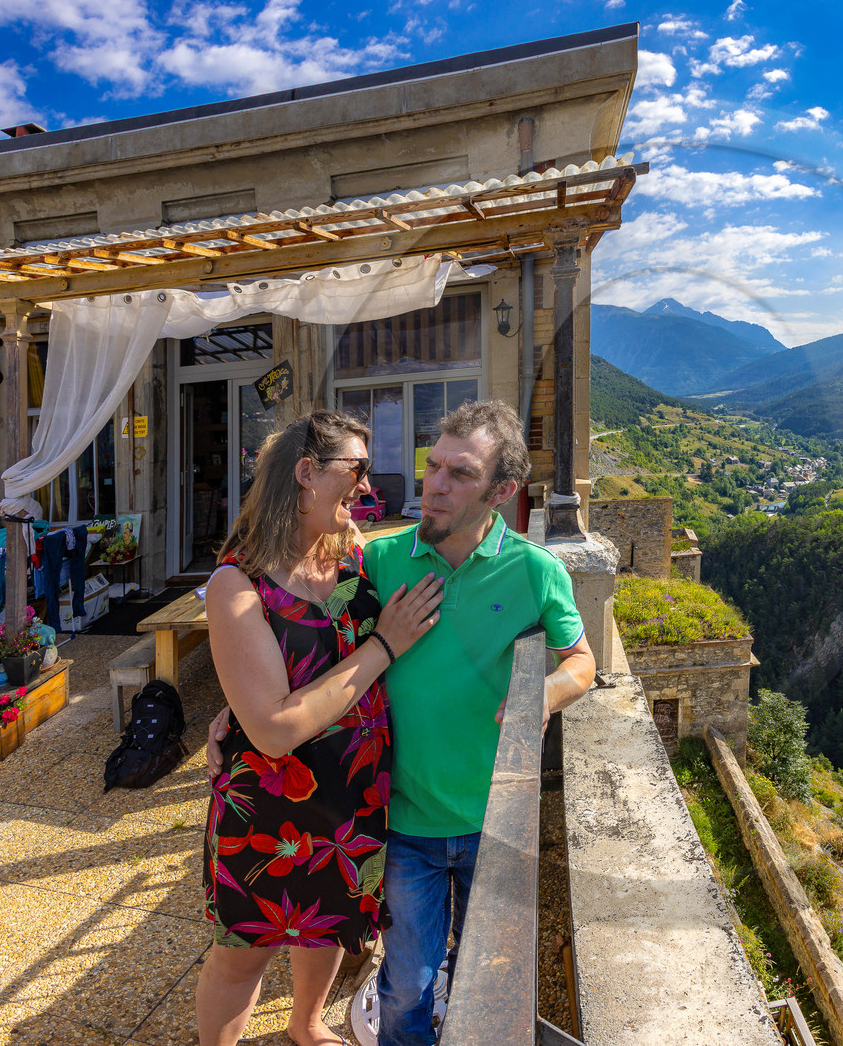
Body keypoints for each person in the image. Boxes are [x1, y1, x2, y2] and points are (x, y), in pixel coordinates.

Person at [196, 410, 444, 1046]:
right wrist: (384, 646)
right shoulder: (237, 584)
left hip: (354, 795)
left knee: (332, 924)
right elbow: (275, 729)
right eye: (356, 469)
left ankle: (306, 1024)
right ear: (306, 473)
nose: (367, 485)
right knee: (243, 953)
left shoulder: (357, 558)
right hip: (269, 808)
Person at [363, 399, 597, 1045]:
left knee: (481, 980)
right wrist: (236, 721)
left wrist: (543, 692)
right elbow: (304, 639)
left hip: (496, 825)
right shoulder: (381, 563)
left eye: (459, 473)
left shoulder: (535, 570)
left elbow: (582, 660)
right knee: (407, 981)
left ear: (501, 490)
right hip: (407, 822)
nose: (433, 482)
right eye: (431, 464)